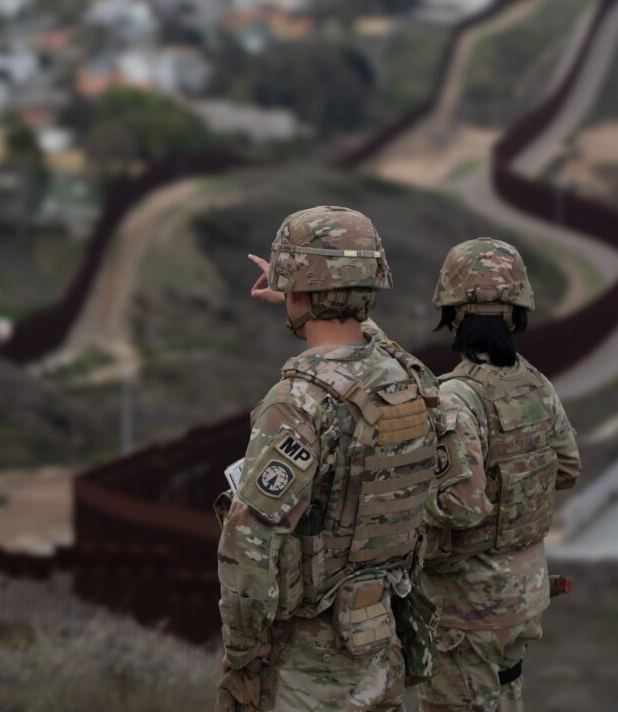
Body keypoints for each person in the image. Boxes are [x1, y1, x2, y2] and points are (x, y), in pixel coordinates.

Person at [216, 206, 441, 711]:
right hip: (381, 650)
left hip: (309, 670)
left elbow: (248, 547)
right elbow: (379, 346)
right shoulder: (408, 380)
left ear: (299, 291)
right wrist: (311, 295)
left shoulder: (296, 403)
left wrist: (243, 653)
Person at [417, 238, 580, 712]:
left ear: (452, 312)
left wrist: (411, 494)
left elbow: (459, 507)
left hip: (467, 609)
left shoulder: (455, 397)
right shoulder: (534, 383)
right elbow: (568, 468)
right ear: (517, 311)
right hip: (524, 595)